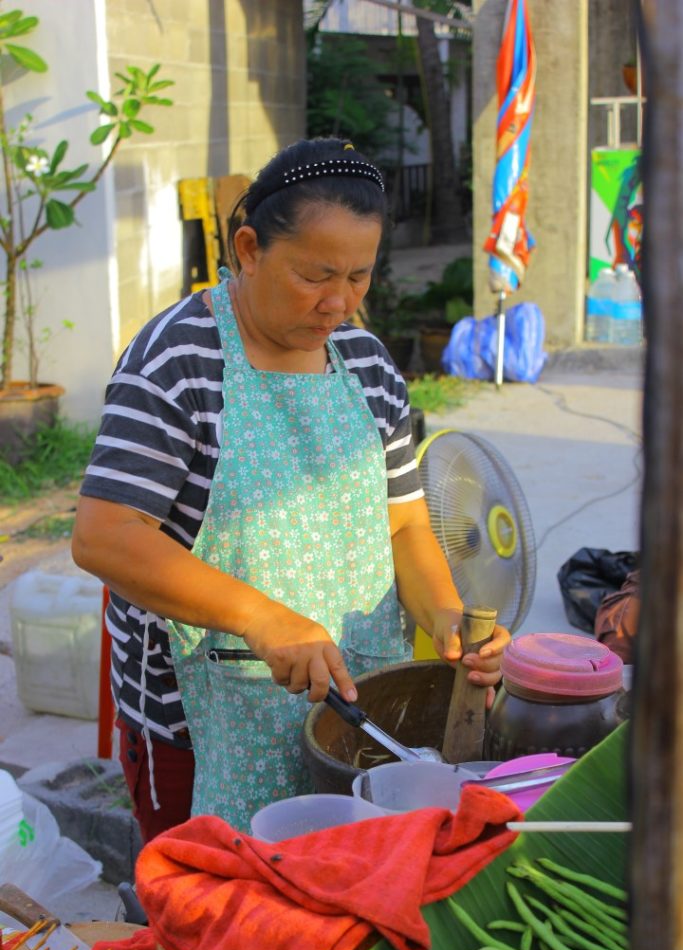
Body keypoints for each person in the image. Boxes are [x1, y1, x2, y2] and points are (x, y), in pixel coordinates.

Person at [72, 137, 510, 841]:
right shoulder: (178, 359)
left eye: (359, 278)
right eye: (315, 275)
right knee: (210, 912)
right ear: (248, 249)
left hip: (358, 701)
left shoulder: (365, 364)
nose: (338, 303)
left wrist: (446, 616)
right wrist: (262, 618)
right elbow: (104, 536)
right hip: (198, 719)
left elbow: (401, 525)